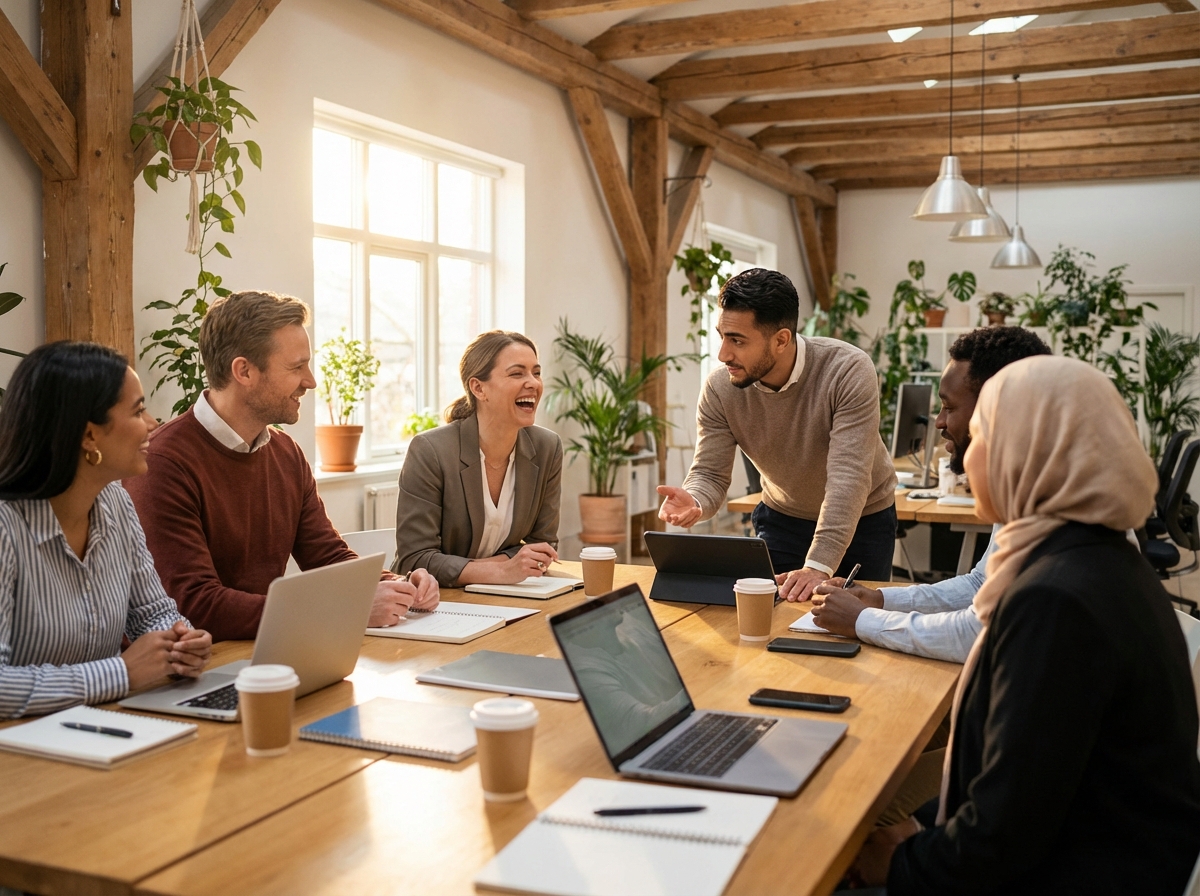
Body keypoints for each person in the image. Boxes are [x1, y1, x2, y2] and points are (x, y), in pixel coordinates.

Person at [850, 355, 1200, 894]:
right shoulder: (1098, 557)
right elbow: (1025, 786)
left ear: (1029, 450)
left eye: (985, 433)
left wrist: (895, 865)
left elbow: (999, 840)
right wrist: (922, 826)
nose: (970, 453)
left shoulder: (1055, 602)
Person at [125, 291, 438, 642]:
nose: (311, 380)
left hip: (267, 651)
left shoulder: (285, 452)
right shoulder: (164, 462)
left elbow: (327, 556)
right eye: (296, 367)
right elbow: (196, 605)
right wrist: (345, 609)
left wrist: (396, 586)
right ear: (244, 371)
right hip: (200, 665)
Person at [811, 326, 1051, 663]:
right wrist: (880, 600)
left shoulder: (1052, 507)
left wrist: (863, 620)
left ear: (997, 413)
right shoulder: (1033, 484)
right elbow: (981, 584)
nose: (938, 422)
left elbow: (978, 635)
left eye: (949, 408)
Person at [0, 342, 212, 719]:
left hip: (98, 731)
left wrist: (180, 641)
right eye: (138, 410)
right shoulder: (6, 527)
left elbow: (152, 612)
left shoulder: (115, 501)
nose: (153, 424)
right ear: (89, 436)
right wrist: (122, 673)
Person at [658, 268, 896, 602]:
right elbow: (709, 473)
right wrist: (695, 499)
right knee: (775, 617)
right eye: (722, 336)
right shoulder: (720, 388)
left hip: (862, 520)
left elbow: (849, 478)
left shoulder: (847, 370)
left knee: (853, 628)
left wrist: (818, 565)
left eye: (737, 340)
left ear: (781, 340)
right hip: (783, 518)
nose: (723, 354)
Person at [394, 331, 562, 587]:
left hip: (512, 595)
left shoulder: (547, 447)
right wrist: (502, 571)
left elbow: (543, 545)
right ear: (478, 388)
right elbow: (414, 559)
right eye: (517, 373)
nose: (533, 383)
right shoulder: (430, 450)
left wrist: (501, 569)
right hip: (438, 601)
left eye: (536, 373)